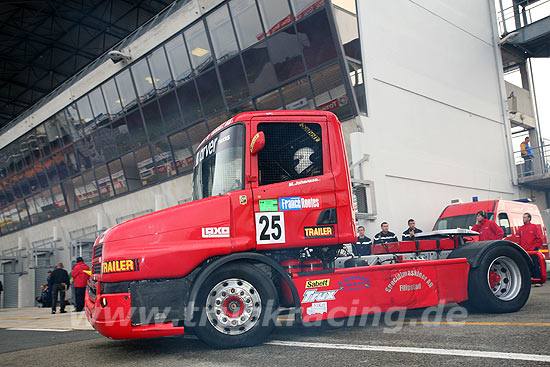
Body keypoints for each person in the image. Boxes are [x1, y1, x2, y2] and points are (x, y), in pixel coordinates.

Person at [518, 212, 544, 286]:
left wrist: (535, 247)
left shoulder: (534, 227)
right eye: (523, 217)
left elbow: (539, 239)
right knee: (527, 265)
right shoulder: (521, 229)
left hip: (533, 250)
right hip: (525, 250)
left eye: (525, 217)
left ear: (529, 218)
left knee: (536, 264)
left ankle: (538, 280)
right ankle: (530, 279)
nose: (523, 219)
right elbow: (520, 240)